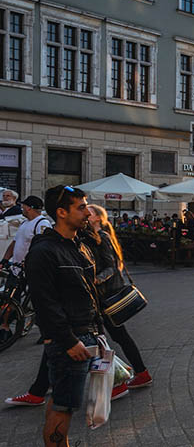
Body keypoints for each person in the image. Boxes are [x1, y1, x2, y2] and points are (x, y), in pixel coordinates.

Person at [25, 186, 99, 447]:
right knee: (63, 407)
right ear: (61, 212)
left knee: (61, 402)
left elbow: (87, 291)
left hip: (83, 333)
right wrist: (69, 341)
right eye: (81, 207)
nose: (88, 212)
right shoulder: (44, 251)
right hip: (69, 340)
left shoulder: (78, 245)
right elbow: (45, 304)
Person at [82, 205, 153, 394]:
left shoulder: (103, 237)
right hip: (100, 295)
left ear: (97, 218)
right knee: (114, 336)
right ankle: (137, 373)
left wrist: (94, 280)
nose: (85, 214)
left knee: (109, 337)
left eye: (89, 212)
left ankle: (127, 377)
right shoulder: (90, 237)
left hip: (105, 296)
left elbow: (112, 267)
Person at [3, 195, 52, 266]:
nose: (22, 208)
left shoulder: (42, 223)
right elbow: (15, 242)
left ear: (29, 208)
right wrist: (5, 260)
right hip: (16, 269)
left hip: (30, 270)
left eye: (23, 206)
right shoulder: (24, 223)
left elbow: (44, 248)